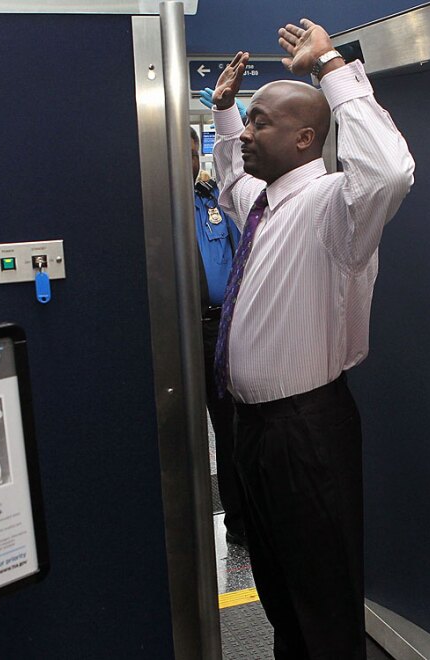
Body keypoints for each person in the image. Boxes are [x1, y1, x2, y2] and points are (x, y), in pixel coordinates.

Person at [209, 18, 414, 659]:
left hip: (306, 433)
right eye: (247, 121)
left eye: (258, 122)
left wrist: (330, 68)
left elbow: (387, 172)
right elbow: (231, 182)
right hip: (256, 431)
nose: (247, 132)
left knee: (322, 598)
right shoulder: (267, 204)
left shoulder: (333, 208)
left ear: (305, 139)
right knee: (278, 588)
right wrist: (221, 113)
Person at [190, 127, 246, 546]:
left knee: (229, 430)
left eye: (192, 151)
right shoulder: (146, 205)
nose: (187, 159)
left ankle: (240, 524)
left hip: (215, 328)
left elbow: (240, 254)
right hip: (172, 333)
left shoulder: (211, 201)